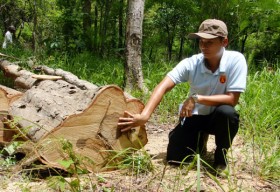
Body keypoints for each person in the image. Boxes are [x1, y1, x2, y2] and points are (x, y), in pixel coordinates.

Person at [118, 19, 247, 173]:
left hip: (217, 117)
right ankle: (198, 140)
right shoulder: (192, 63)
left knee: (228, 113)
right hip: (195, 115)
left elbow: (232, 99)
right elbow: (163, 86)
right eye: (201, 42)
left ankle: (221, 158)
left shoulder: (235, 60)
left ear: (224, 42)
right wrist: (145, 116)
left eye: (210, 42)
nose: (203, 47)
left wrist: (196, 98)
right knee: (174, 158)